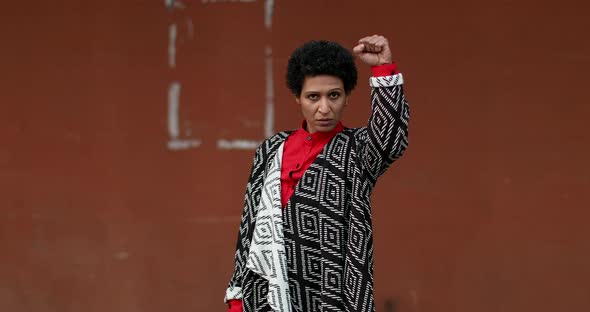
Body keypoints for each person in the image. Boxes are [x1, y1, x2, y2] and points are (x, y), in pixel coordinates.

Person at [224, 35, 410, 312]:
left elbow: (391, 138)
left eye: (333, 95)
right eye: (313, 96)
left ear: (346, 97)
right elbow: (249, 226)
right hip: (267, 293)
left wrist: (382, 67)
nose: (324, 108)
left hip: (333, 294)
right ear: (297, 98)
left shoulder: (356, 150)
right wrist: (238, 292)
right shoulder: (271, 149)